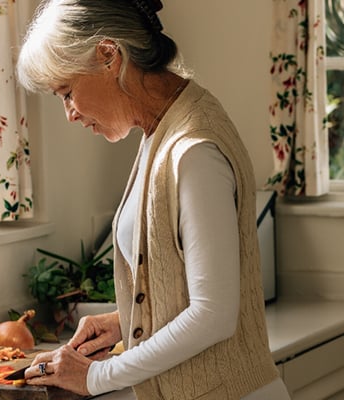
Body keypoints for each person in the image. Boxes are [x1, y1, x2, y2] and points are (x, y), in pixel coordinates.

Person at [15, 1, 290, 399]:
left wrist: (95, 377)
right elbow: (180, 283)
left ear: (109, 56)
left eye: (67, 92)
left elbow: (212, 315)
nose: (70, 114)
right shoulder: (160, 132)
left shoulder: (194, 149)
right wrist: (123, 322)